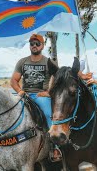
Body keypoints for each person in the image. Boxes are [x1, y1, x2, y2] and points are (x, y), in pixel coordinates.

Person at [10, 33, 61, 161]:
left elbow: (60, 80)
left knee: (50, 117)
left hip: (40, 96)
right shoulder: (22, 62)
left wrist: (49, 93)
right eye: (32, 43)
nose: (34, 46)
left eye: (37, 43)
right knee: (9, 112)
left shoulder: (49, 62)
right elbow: (13, 81)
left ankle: (55, 147)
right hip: (24, 94)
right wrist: (20, 91)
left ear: (42, 46)